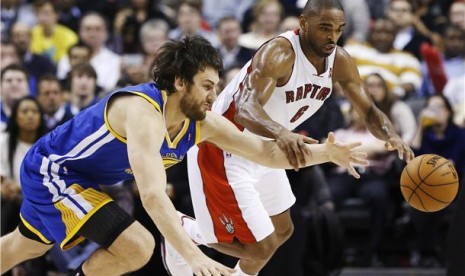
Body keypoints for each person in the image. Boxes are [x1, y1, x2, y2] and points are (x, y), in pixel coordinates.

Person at [0, 36, 367, 276]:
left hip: (82, 180)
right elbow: (153, 196)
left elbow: (267, 154)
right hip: (54, 171)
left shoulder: (202, 122)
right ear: (179, 81)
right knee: (139, 246)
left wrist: (326, 152)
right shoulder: (143, 113)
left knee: (22, 246)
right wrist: (193, 256)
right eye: (207, 86)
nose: (214, 95)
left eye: (217, 87)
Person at [161, 1, 414, 276]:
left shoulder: (339, 60)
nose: (332, 36)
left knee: (283, 230)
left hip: (265, 146)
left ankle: (215, 255)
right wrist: (282, 133)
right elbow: (246, 109)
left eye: (338, 29)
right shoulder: (280, 52)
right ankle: (183, 229)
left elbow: (368, 110)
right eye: (324, 28)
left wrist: (392, 136)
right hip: (225, 147)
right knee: (260, 247)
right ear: (303, 23)